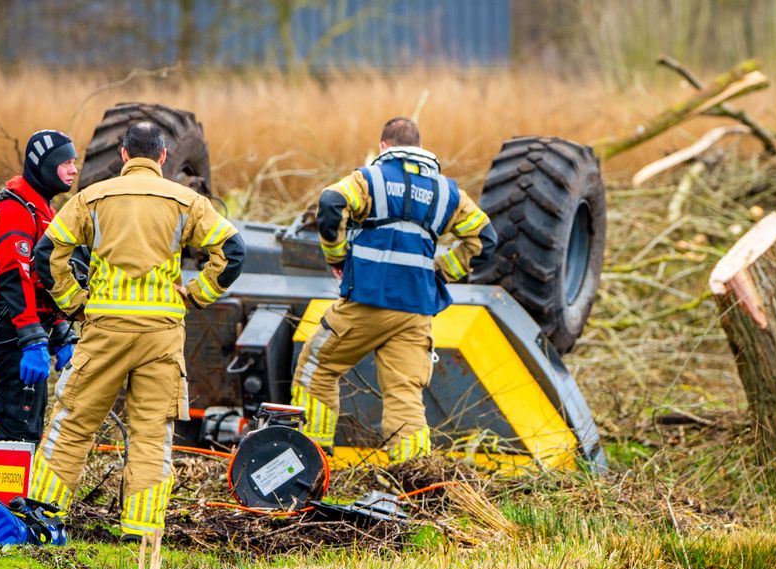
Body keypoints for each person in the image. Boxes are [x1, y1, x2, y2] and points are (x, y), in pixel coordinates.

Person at [28, 122, 246, 542]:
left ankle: (43, 515)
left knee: (73, 422)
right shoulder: (188, 201)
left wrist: (74, 301)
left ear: (124, 156)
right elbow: (233, 252)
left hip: (104, 328)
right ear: (163, 157)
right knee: (151, 432)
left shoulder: (92, 198)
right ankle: (142, 531)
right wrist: (198, 294)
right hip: (160, 335)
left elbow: (47, 253)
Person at [291, 117, 491, 462]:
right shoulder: (449, 192)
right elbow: (484, 237)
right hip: (416, 311)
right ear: (419, 145)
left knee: (317, 368)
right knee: (405, 396)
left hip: (368, 300)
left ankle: (312, 458)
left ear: (384, 146)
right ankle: (414, 479)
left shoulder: (369, 179)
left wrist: (337, 257)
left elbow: (330, 204)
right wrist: (441, 271)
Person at [0, 130, 79, 443]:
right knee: (18, 427)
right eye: (65, 163)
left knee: (30, 424)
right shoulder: (13, 210)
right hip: (11, 332)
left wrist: (60, 327)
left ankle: (13, 493)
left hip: (28, 330)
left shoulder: (44, 212)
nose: (73, 170)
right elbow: (13, 276)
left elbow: (44, 280)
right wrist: (31, 338)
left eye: (74, 162)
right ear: (44, 165)